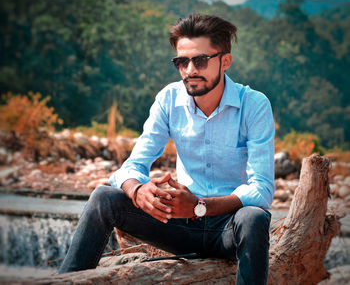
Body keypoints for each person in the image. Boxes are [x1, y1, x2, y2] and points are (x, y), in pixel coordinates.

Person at [59, 14, 275, 285]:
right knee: (104, 197)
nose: (189, 70)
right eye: (181, 62)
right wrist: (137, 190)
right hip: (180, 224)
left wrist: (200, 206)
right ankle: (66, 281)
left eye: (200, 60)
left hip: (229, 228)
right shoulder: (168, 99)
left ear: (225, 61)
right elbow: (131, 166)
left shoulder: (254, 105)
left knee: (254, 217)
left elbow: (262, 189)